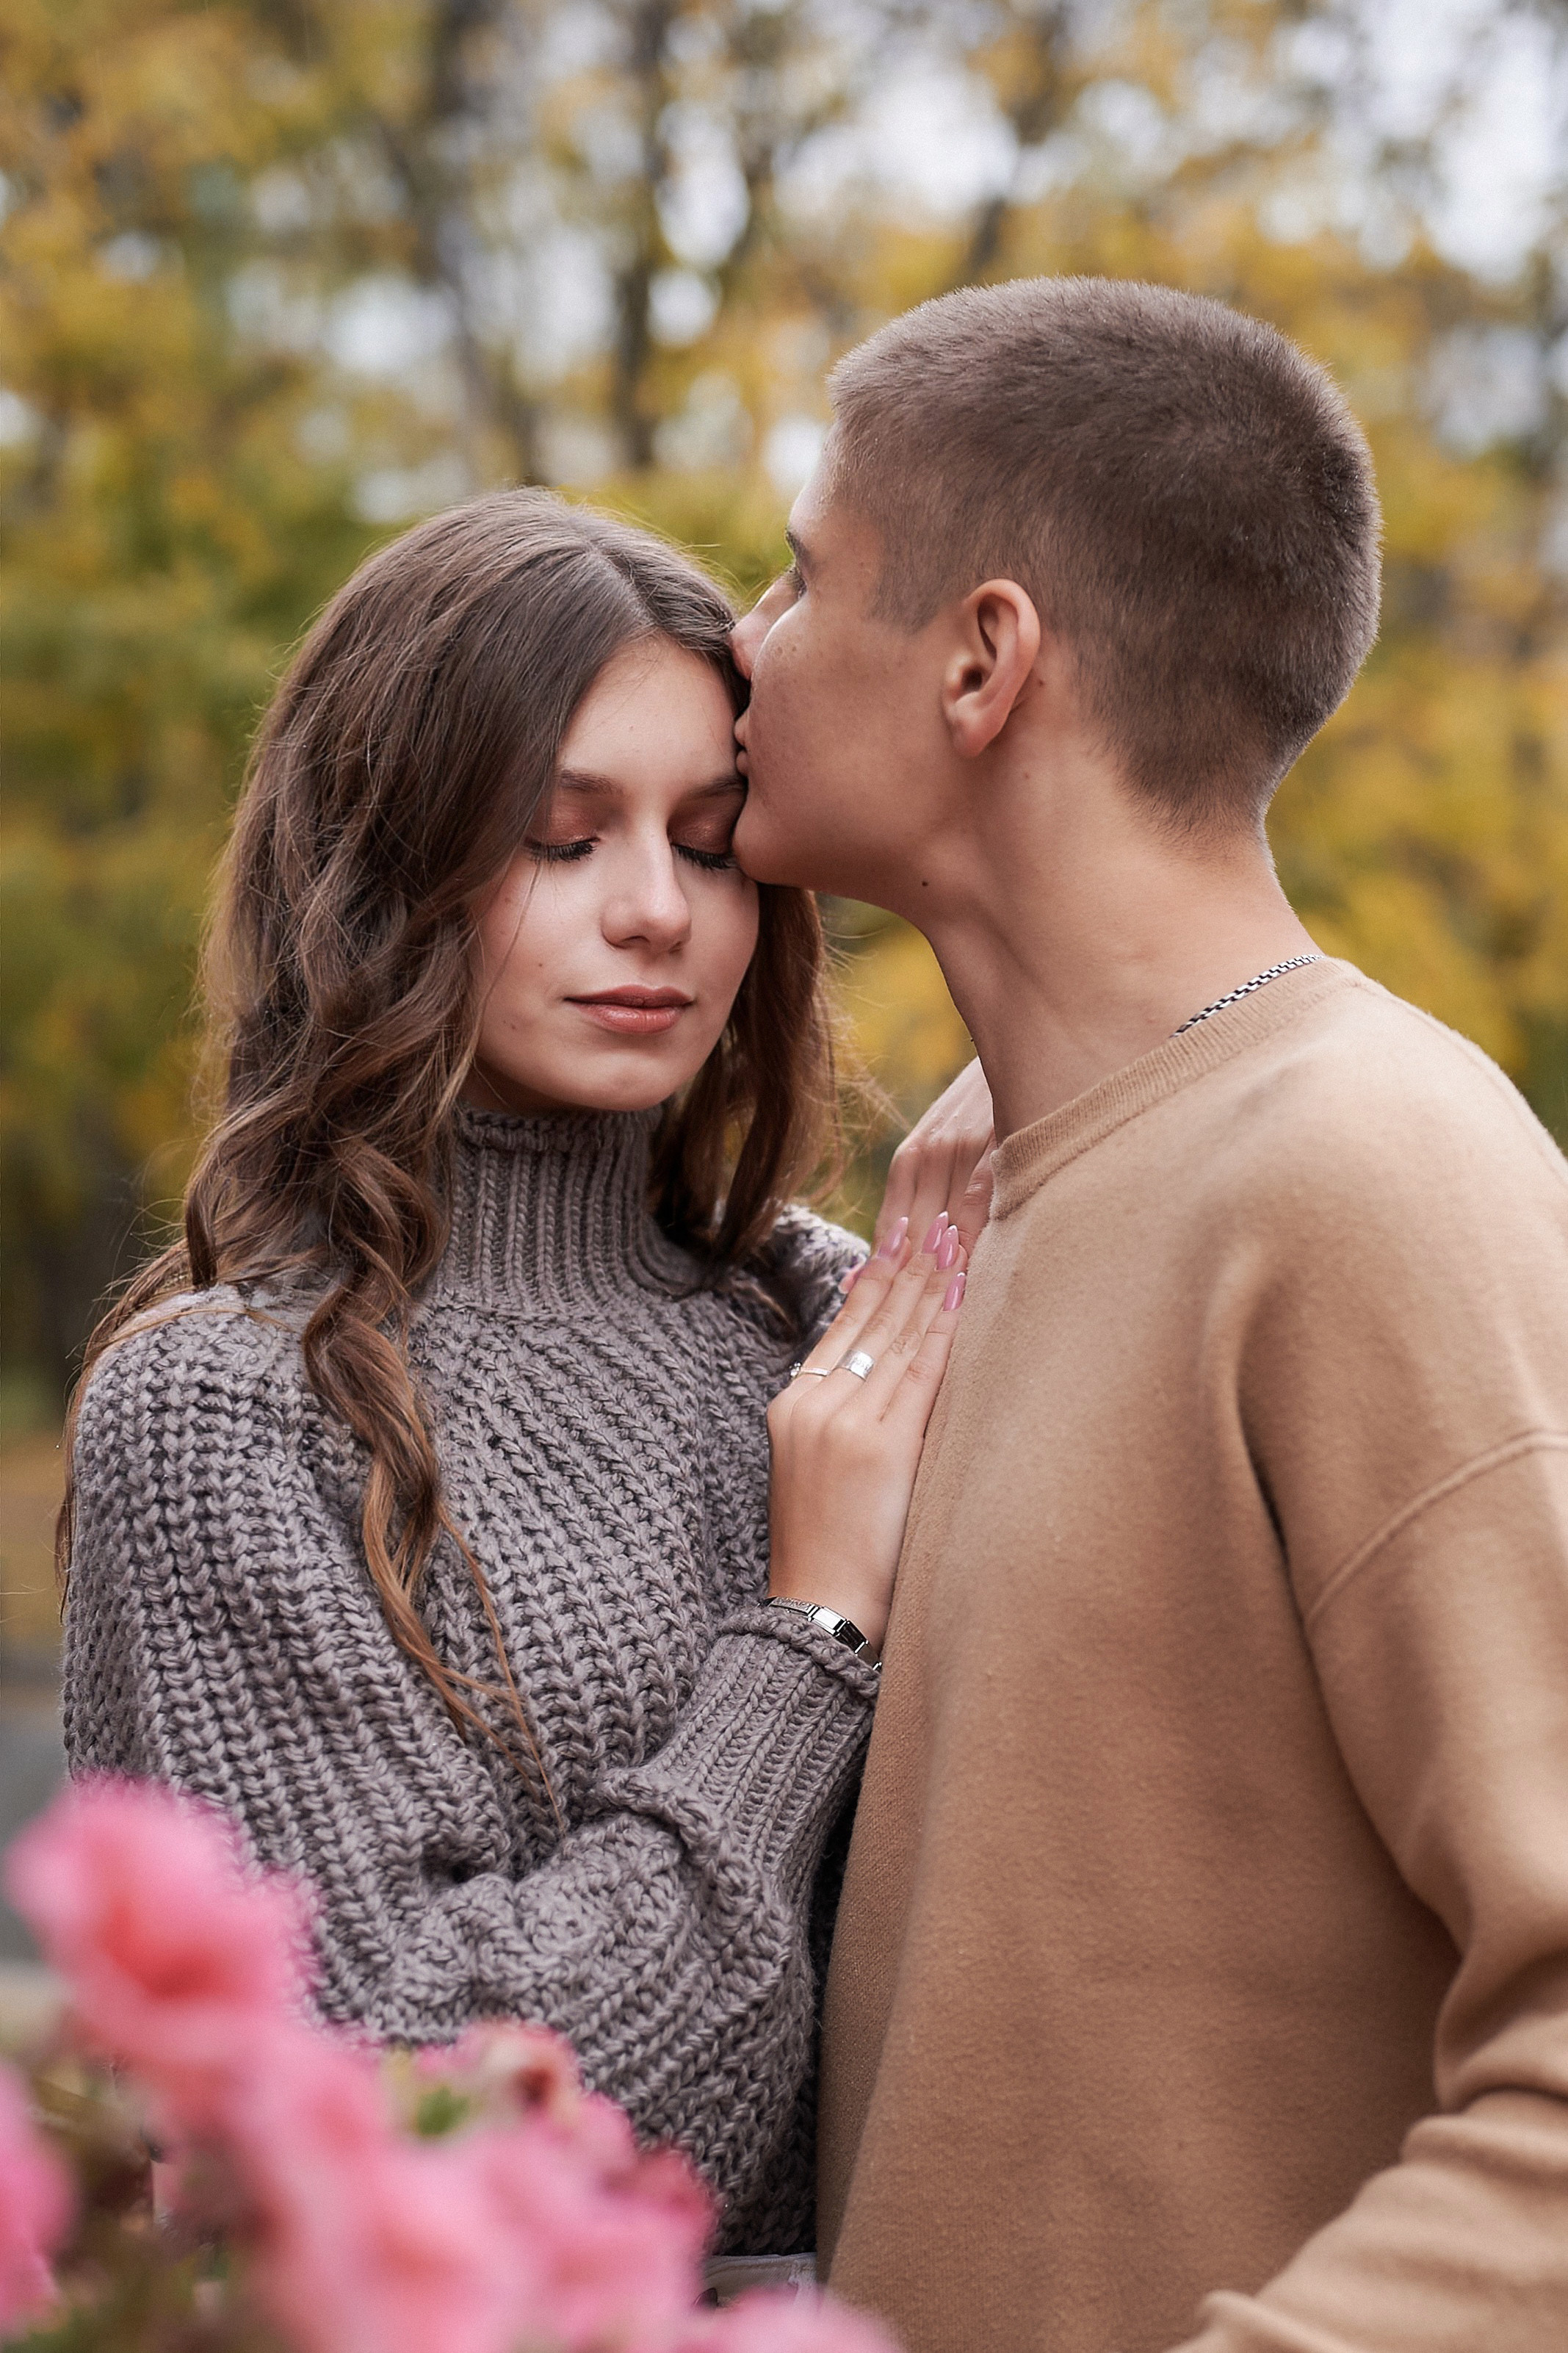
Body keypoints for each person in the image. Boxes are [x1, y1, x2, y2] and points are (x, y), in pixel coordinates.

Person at [730, 275, 1568, 2351]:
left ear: (982, 658)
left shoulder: (1369, 1173)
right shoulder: (968, 1218)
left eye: (798, 574)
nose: (737, 643)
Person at [57, 490, 977, 2267]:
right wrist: (812, 1642)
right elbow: (416, 2141)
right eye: (564, 840)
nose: (657, 913)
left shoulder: (831, 1337)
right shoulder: (230, 1413)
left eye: (713, 844)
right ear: (383, 869)